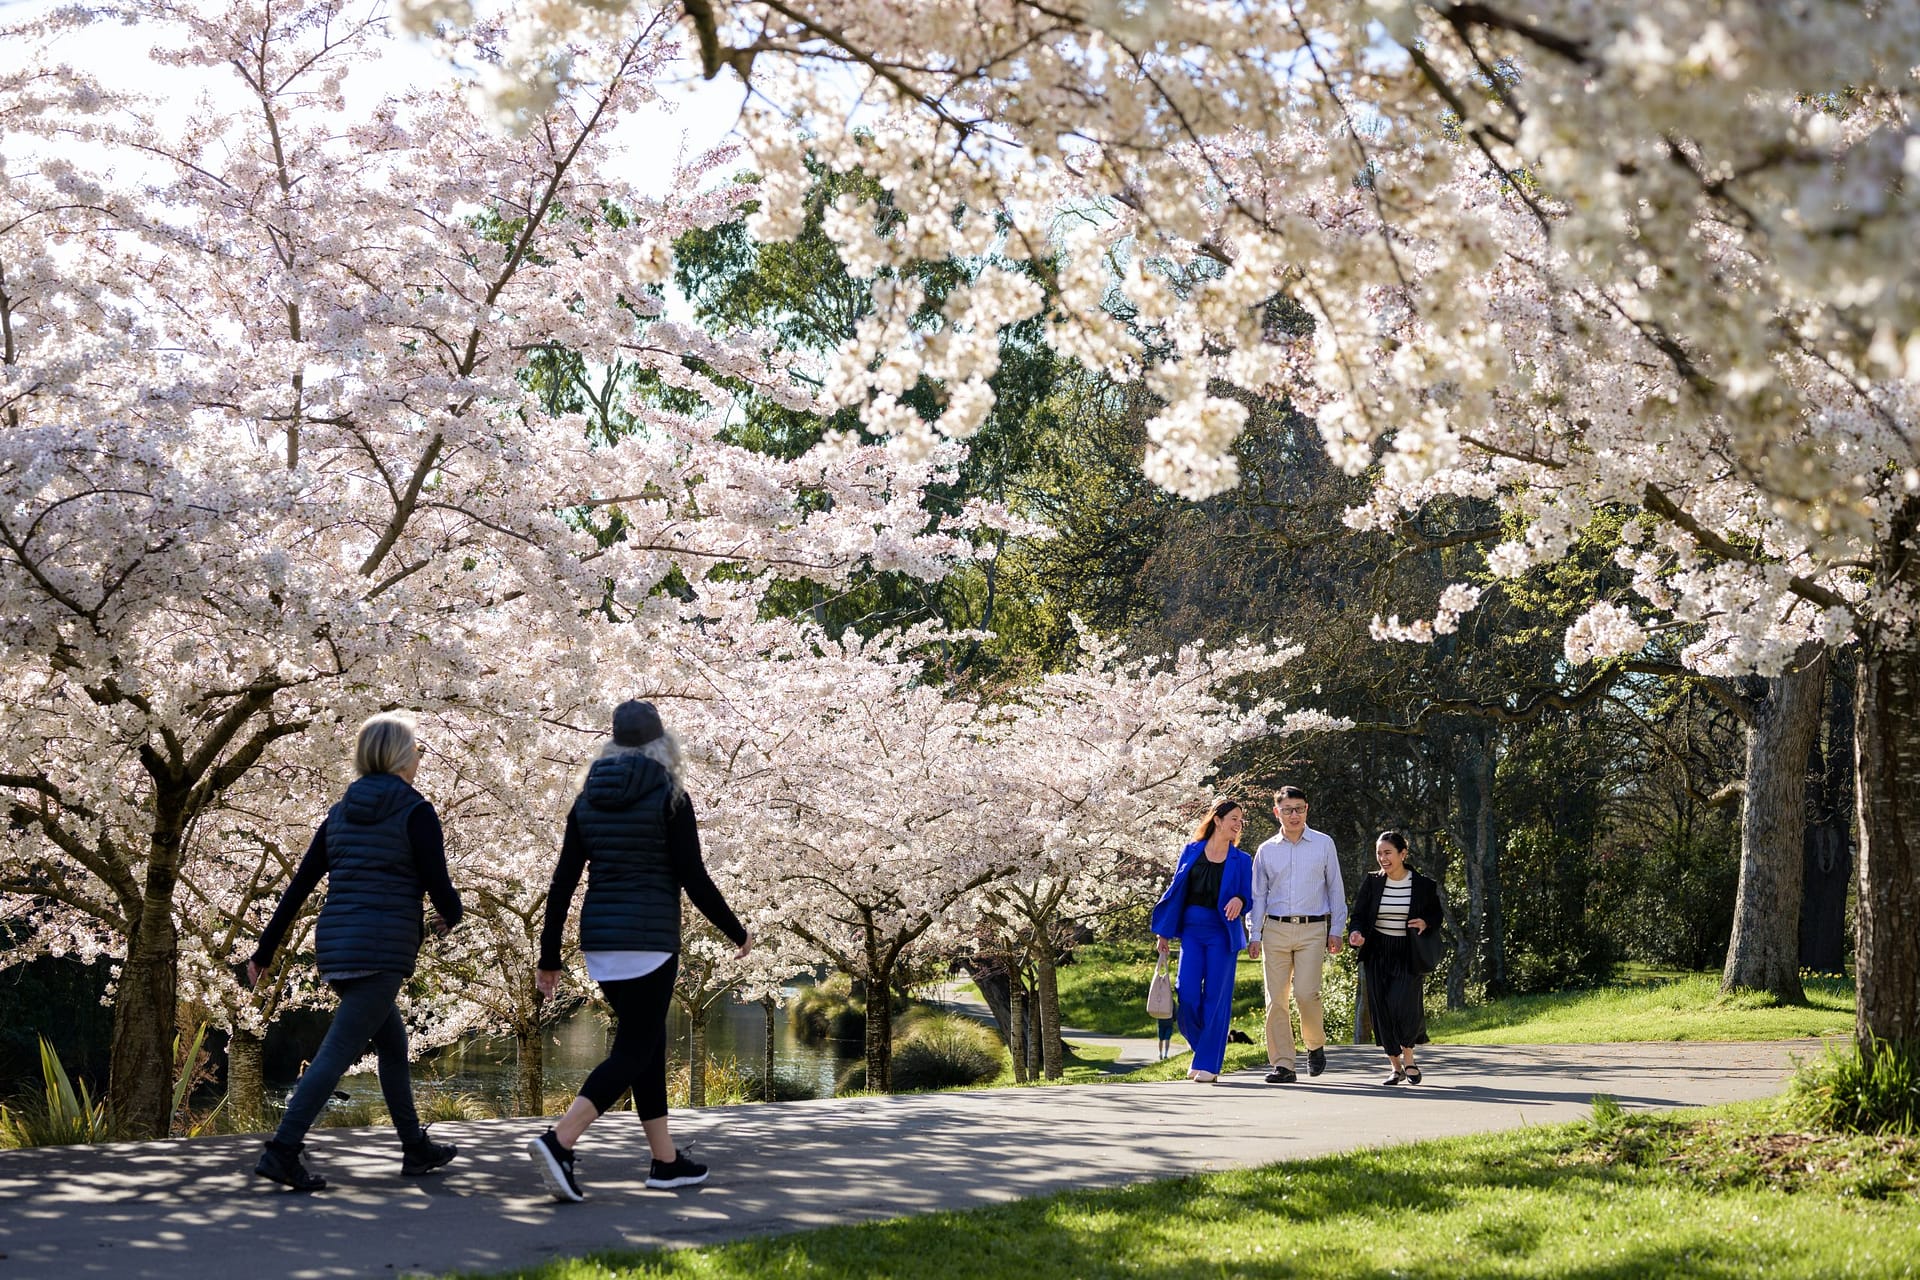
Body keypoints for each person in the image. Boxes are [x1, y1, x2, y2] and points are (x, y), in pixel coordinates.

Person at [527, 699, 751, 1202]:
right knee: (634, 1048)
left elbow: (563, 881)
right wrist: (735, 930)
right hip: (649, 943)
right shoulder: (671, 795)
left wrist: (549, 955)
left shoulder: (587, 800)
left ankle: (665, 1162)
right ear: (662, 744)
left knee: (646, 1044)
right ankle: (560, 1140)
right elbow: (693, 876)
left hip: (601, 943)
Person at [247, 713, 464, 1192]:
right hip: (383, 950)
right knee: (335, 1054)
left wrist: (265, 949)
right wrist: (453, 913)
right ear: (402, 756)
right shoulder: (415, 811)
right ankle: (283, 1150)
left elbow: (300, 885)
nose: (419, 758)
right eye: (415, 750)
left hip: (339, 948)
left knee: (393, 1044)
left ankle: (414, 1147)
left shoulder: (340, 813)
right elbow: (438, 884)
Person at [1148, 800, 1254, 1083]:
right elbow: (1175, 893)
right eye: (1233, 818)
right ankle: (1204, 1049)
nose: (1237, 824)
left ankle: (1207, 1063)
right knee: (1188, 997)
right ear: (1217, 820)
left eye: (1241, 821)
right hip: (1191, 934)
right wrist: (1163, 933)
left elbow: (1249, 896)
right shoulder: (1191, 851)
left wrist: (1239, 899)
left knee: (1215, 1000)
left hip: (1222, 933)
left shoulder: (1242, 860)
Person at [1247, 786, 1346, 1084]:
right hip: (1275, 928)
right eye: (1288, 809)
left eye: (1299, 809)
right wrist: (1254, 934)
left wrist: (1337, 929)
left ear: (1307, 810)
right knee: (1275, 1000)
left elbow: (1335, 888)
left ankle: (1314, 1045)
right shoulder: (1266, 850)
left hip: (1313, 929)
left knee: (1306, 994)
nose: (1294, 815)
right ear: (1277, 812)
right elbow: (1258, 896)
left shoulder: (1323, 844)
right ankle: (1283, 1064)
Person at [1345, 830, 1443, 1086]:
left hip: (1408, 952)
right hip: (1377, 951)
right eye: (1379, 853)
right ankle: (1395, 1066)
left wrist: (1426, 922)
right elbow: (1358, 915)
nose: (1382, 858)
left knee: (1405, 1006)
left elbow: (1436, 916)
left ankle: (1410, 1058)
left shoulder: (1423, 885)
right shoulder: (1373, 882)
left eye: (1388, 852)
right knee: (1382, 1009)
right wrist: (1355, 932)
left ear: (1403, 854)